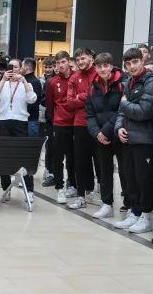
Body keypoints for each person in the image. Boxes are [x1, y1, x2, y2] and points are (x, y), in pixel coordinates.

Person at [114, 47, 153, 234]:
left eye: (135, 62)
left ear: (142, 60)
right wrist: (119, 127)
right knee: (130, 179)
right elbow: (122, 112)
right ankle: (135, 213)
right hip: (128, 138)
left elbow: (144, 112)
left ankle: (146, 217)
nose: (132, 66)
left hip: (145, 139)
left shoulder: (151, 81)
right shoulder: (129, 82)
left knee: (144, 180)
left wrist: (124, 103)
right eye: (128, 64)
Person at [86, 53, 129, 218]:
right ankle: (106, 204)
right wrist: (97, 133)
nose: (103, 69)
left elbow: (121, 110)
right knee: (104, 171)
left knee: (125, 171)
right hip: (101, 137)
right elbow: (89, 114)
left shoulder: (122, 84)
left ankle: (130, 204)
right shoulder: (92, 87)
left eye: (106, 65)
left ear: (111, 66)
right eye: (99, 66)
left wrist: (106, 130)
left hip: (119, 133)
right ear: (95, 67)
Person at [0, 61, 37, 202]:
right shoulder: (3, 83)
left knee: (23, 156)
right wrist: (3, 79)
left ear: (21, 69)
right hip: (3, 122)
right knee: (3, 157)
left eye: (16, 67)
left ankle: (29, 190)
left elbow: (32, 99)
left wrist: (23, 81)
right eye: (10, 67)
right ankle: (6, 188)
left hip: (20, 122)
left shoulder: (26, 84)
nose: (13, 70)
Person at [67, 47, 101, 210]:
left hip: (99, 124)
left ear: (92, 58)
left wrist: (81, 96)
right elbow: (70, 102)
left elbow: (100, 99)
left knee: (100, 161)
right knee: (81, 161)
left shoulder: (99, 73)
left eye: (83, 58)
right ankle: (81, 195)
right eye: (78, 59)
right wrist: (86, 96)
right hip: (79, 124)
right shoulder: (74, 77)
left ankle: (97, 193)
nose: (80, 62)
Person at [45, 51, 77, 204]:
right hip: (59, 124)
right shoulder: (52, 82)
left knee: (73, 156)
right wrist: (55, 119)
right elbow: (50, 105)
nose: (60, 65)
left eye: (63, 62)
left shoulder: (76, 77)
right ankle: (60, 187)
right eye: (57, 63)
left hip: (76, 123)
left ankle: (73, 184)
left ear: (69, 61)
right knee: (58, 157)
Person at [39, 57, 56, 186]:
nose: (48, 69)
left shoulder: (56, 80)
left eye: (50, 67)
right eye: (46, 67)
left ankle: (49, 171)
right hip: (41, 117)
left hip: (53, 119)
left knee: (51, 146)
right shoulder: (40, 81)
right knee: (40, 145)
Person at [22, 58, 42, 137]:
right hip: (26, 120)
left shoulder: (34, 82)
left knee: (30, 146)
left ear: (26, 67)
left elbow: (34, 102)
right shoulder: (24, 80)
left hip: (31, 121)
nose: (20, 68)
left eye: (21, 66)